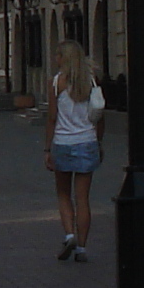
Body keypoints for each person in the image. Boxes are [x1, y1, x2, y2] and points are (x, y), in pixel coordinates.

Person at [42, 40, 105, 263]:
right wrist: (99, 142)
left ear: (63, 57)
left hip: (63, 142)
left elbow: (52, 117)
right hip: (87, 141)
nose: (55, 59)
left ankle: (69, 234)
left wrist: (47, 148)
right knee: (83, 199)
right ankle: (82, 247)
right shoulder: (91, 81)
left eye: (58, 55)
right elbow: (100, 116)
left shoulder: (56, 82)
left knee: (63, 194)